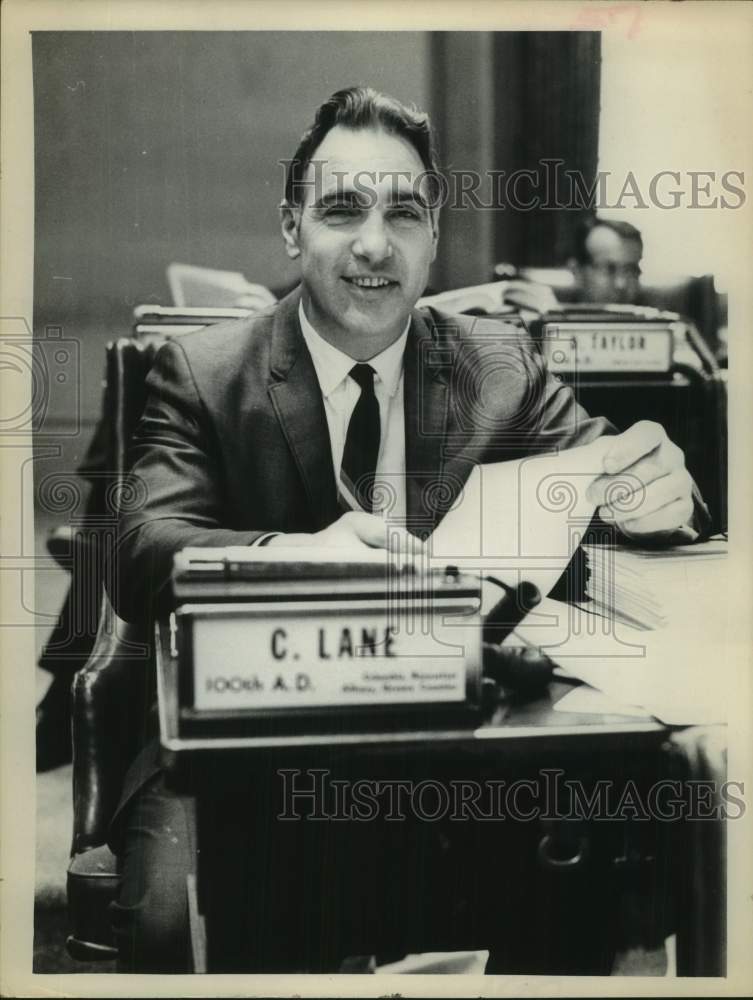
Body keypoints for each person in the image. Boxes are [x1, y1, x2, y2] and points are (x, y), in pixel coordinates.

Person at [105, 86, 708, 972]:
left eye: (404, 213)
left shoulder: (498, 366)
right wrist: (302, 554)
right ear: (290, 228)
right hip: (242, 764)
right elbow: (138, 548)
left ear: (432, 236)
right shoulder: (201, 372)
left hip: (461, 753)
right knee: (174, 913)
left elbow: (619, 473)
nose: (374, 244)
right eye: (342, 209)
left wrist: (664, 491)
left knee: (589, 882)